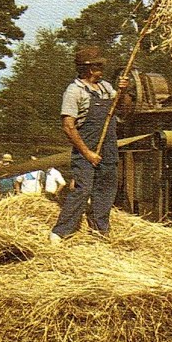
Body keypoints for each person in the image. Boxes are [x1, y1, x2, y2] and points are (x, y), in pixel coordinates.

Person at [49, 46, 132, 243]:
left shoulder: (106, 88)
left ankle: (99, 232)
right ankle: (59, 233)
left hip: (108, 147)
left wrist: (123, 91)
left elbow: (124, 109)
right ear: (87, 69)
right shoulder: (74, 91)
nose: (101, 68)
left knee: (106, 189)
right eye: (98, 65)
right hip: (85, 149)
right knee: (83, 189)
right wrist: (87, 153)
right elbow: (68, 127)